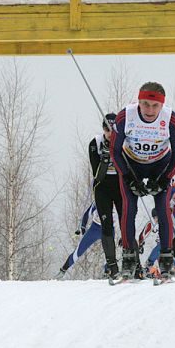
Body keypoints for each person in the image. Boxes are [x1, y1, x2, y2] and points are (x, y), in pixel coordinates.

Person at [110, 82, 175, 279]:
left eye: (155, 106)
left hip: (160, 166)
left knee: (163, 209)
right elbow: (114, 151)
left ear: (162, 105)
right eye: (145, 104)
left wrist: (164, 180)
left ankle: (167, 258)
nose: (149, 110)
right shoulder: (125, 117)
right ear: (138, 101)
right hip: (131, 165)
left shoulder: (172, 120)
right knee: (129, 208)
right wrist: (127, 176)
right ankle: (128, 257)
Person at [57, 113, 122, 278]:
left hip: (109, 226)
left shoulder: (121, 143)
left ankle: (110, 270)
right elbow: (89, 211)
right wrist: (82, 228)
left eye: (112, 130)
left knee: (111, 243)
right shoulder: (96, 143)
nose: (109, 132)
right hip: (95, 227)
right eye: (107, 129)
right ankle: (62, 270)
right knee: (79, 251)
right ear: (103, 129)